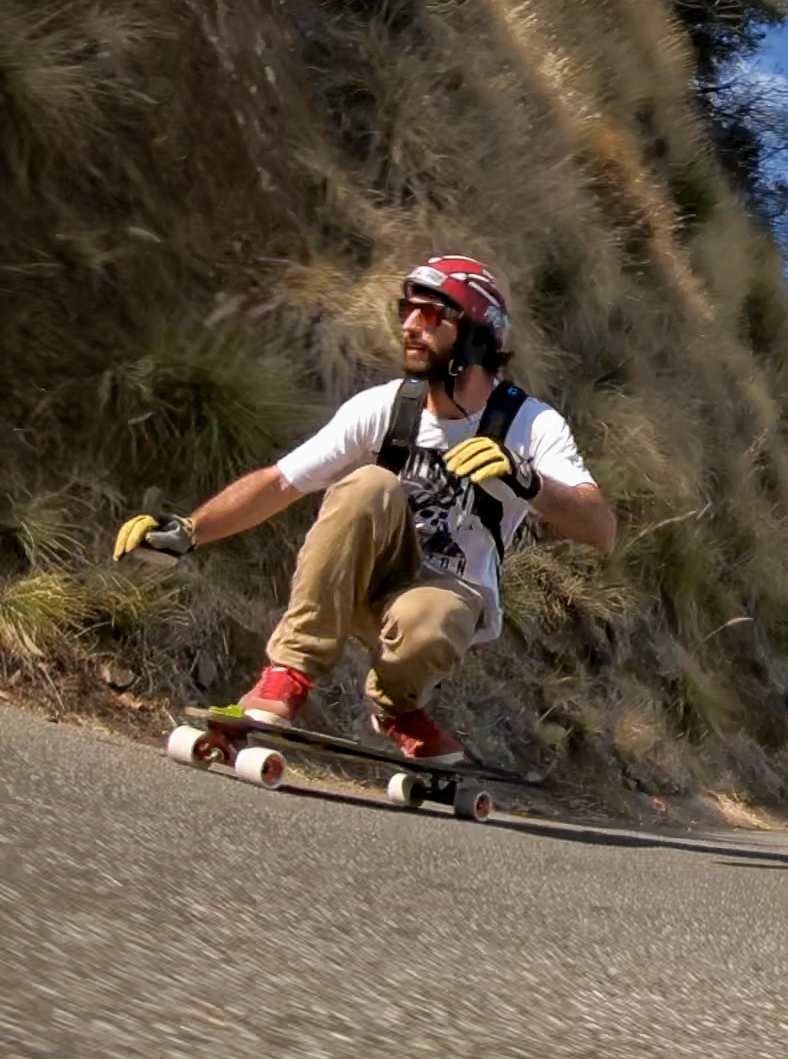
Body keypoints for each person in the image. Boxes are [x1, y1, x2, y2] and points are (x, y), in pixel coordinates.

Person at [113, 256, 617, 764]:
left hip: (445, 598)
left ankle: (399, 708)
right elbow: (280, 482)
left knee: (432, 620)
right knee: (369, 483)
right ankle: (288, 673)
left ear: (474, 333)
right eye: (406, 311)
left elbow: (600, 529)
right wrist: (189, 530)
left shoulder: (531, 424)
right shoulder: (385, 407)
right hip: (362, 581)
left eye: (428, 314)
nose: (408, 326)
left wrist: (528, 481)